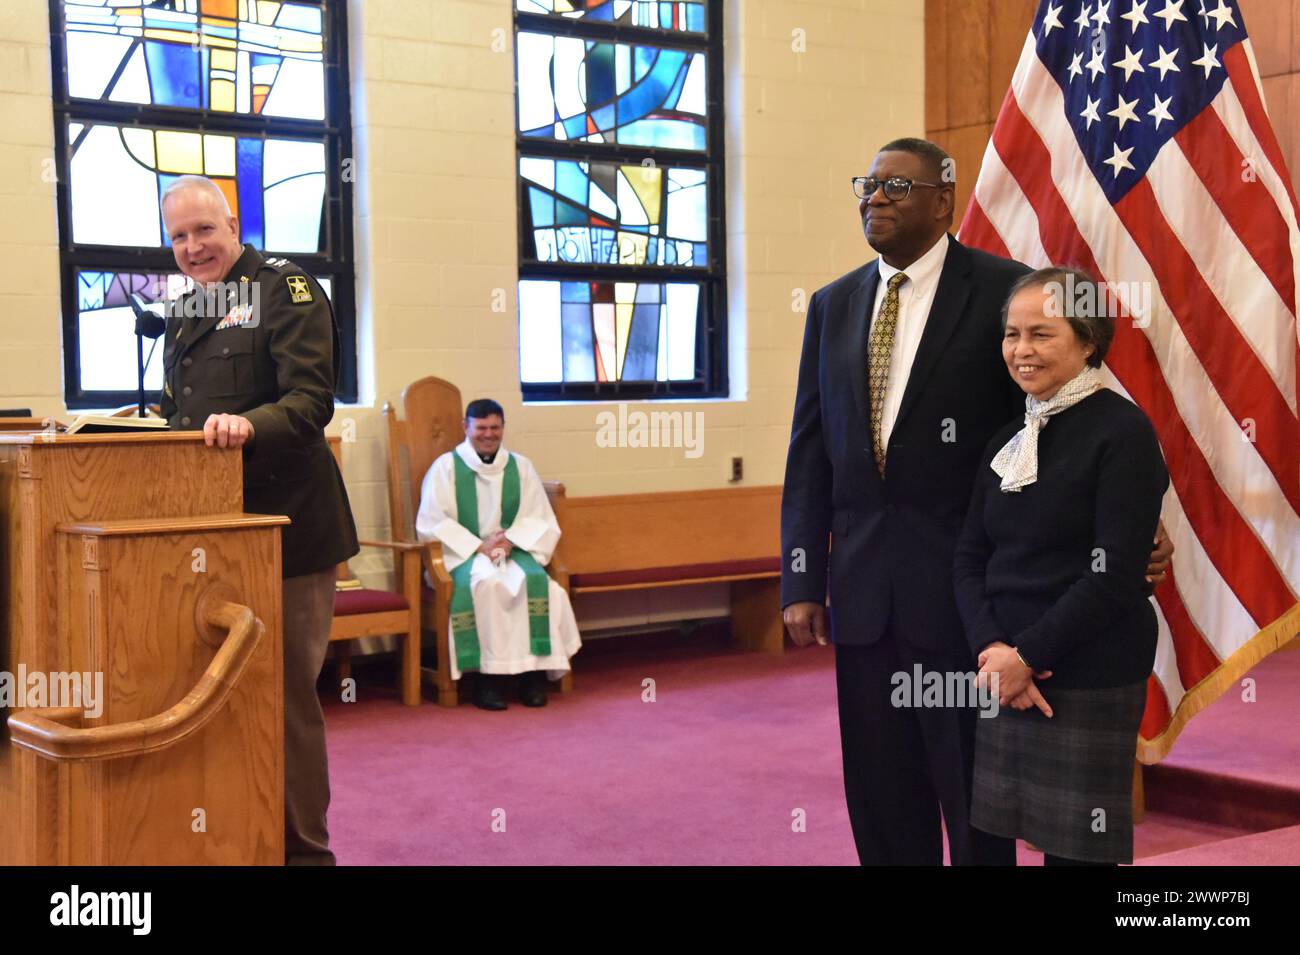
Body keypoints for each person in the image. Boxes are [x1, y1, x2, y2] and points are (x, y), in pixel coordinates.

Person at [780, 138, 1172, 866]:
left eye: (897, 186)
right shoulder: (832, 306)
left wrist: (1135, 529)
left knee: (974, 801)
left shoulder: (1009, 294)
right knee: (881, 787)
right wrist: (801, 576)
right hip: (864, 596)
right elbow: (811, 451)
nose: (876, 197)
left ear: (943, 199)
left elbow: (1062, 426)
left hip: (972, 606)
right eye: (867, 184)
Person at [158, 174, 358, 865]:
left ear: (232, 223)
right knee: (213, 700)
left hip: (288, 533)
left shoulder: (286, 289)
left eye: (203, 230)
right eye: (178, 236)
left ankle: (306, 854)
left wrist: (243, 426)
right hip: (210, 534)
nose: (192, 247)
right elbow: (183, 416)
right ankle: (241, 840)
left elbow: (310, 401)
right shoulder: (188, 310)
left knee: (283, 698)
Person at [954, 267, 1169, 866]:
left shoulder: (1122, 432)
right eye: (1012, 334)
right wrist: (992, 652)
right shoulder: (1009, 435)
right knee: (1020, 836)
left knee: (1079, 856)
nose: (1022, 350)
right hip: (1005, 671)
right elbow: (971, 555)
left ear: (1088, 340)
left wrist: (1027, 658)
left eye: (1042, 334)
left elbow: (1117, 575)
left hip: (1087, 667)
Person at [416, 399, 581, 710]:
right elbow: (433, 522)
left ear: (503, 428)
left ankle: (531, 677)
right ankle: (486, 681)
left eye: (495, 427)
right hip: (464, 554)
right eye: (481, 428)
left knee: (542, 587)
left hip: (512, 550)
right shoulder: (446, 468)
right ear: (466, 428)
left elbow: (539, 518)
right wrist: (480, 546)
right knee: (488, 585)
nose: (488, 434)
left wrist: (510, 541)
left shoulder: (520, 466)